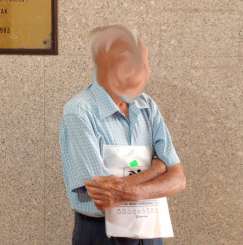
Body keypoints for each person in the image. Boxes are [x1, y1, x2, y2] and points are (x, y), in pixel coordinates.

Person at [60, 25, 186, 245]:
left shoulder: (147, 105)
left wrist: (133, 191)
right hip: (101, 234)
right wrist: (157, 169)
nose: (146, 69)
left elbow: (178, 180)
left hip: (149, 231)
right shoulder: (79, 111)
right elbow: (106, 197)